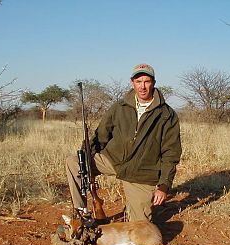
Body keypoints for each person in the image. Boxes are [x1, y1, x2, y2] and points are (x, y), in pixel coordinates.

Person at [66, 63, 182, 222]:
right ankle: (81, 212)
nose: (142, 86)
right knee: (73, 162)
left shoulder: (167, 115)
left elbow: (170, 155)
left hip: (141, 173)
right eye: (138, 81)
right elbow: (100, 136)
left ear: (153, 83)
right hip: (113, 160)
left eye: (147, 81)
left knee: (141, 229)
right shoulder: (119, 107)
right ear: (132, 83)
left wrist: (164, 186)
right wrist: (86, 158)